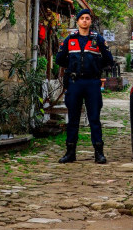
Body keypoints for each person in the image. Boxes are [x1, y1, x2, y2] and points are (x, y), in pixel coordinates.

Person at [55, 9, 114, 164]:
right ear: (78, 21)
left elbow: (109, 59)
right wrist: (72, 66)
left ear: (90, 21)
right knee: (73, 119)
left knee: (94, 119)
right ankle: (70, 152)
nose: (85, 21)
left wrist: (96, 66)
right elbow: (59, 59)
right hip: (75, 83)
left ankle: (99, 153)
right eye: (82, 18)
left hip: (92, 83)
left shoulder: (97, 39)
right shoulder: (70, 39)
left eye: (87, 18)